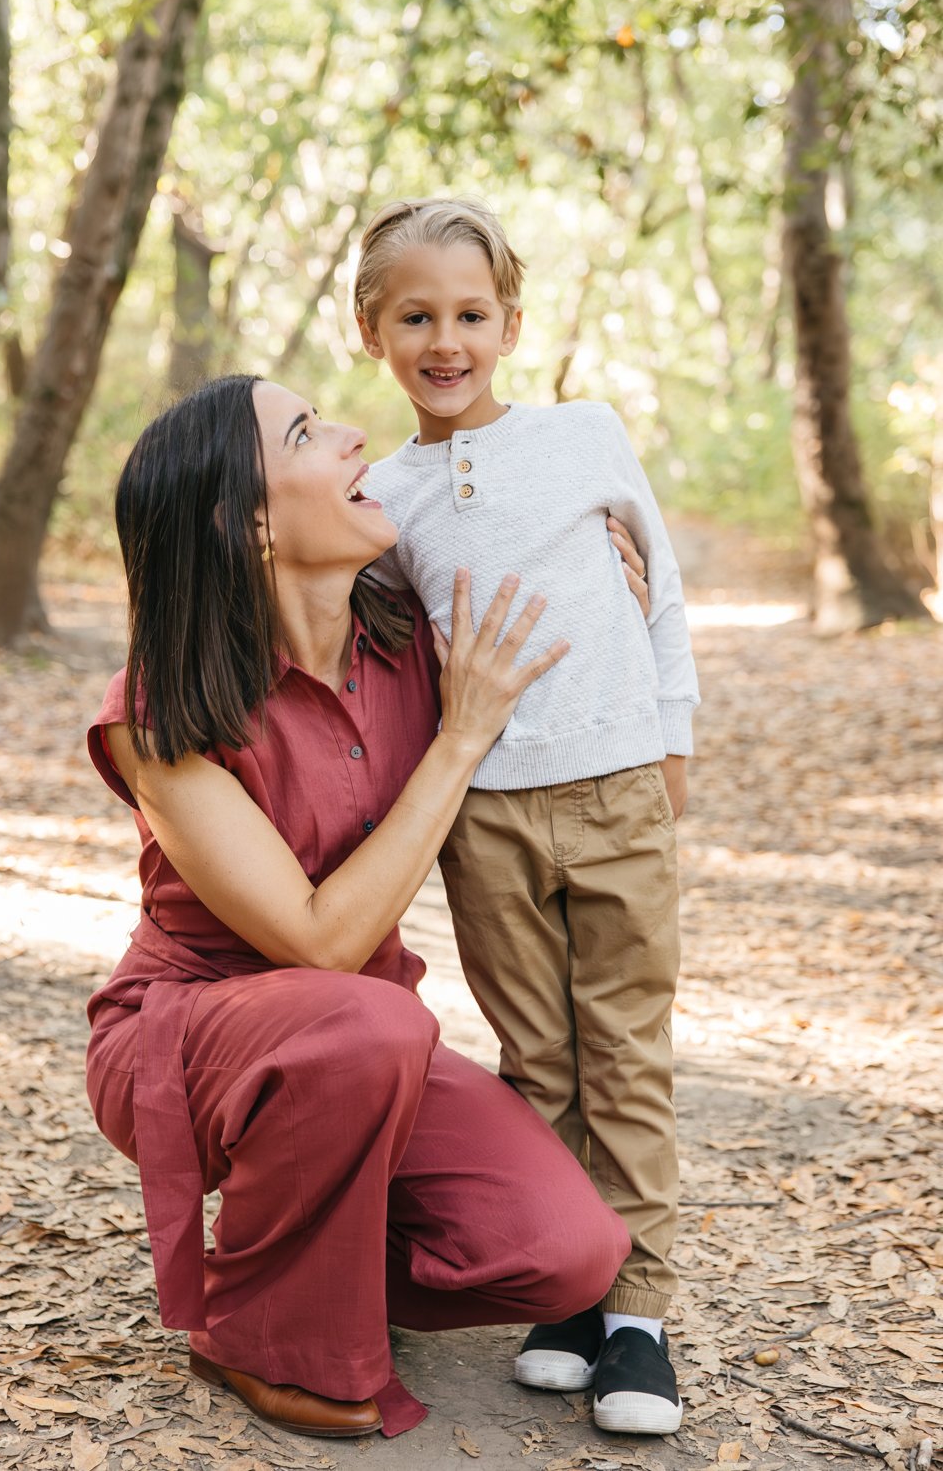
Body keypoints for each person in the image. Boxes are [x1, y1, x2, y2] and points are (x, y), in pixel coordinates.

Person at [84, 373, 642, 1441]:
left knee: (568, 1252)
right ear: (246, 520)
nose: (353, 435)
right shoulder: (159, 712)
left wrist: (614, 575)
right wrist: (459, 739)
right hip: (191, 1041)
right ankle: (256, 1334)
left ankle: (291, 1260)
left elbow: (549, 604)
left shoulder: (406, 637)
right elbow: (322, 944)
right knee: (367, 1015)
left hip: (372, 1050)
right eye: (304, 431)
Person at [354, 197, 701, 1436]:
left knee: (623, 1051)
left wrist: (670, 743)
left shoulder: (584, 436)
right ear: (372, 329)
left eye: (469, 314)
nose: (445, 339)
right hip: (486, 814)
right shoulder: (381, 498)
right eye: (416, 316)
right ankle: (571, 1289)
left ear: (510, 322)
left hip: (613, 788)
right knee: (538, 1061)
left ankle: (640, 1320)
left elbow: (658, 593)